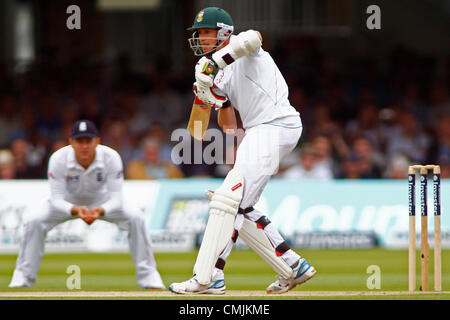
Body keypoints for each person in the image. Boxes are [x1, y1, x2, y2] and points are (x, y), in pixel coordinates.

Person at [169, 7, 316, 295]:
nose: (199, 38)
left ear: (224, 32)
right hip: (258, 131)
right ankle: (292, 265)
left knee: (228, 200)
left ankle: (209, 276)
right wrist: (214, 98)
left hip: (276, 125)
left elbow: (255, 36)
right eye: (197, 34)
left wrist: (211, 63)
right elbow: (229, 126)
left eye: (205, 32)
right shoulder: (219, 74)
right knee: (238, 205)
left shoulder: (245, 48)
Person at [9, 120, 165, 289]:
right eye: (79, 141)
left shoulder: (111, 157)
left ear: (97, 141)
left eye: (88, 141)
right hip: (67, 203)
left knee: (137, 218)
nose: (84, 146)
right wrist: (75, 209)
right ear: (71, 142)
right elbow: (56, 199)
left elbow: (117, 199)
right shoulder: (58, 159)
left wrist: (101, 210)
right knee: (34, 220)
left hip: (103, 202)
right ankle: (22, 279)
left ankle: (150, 279)